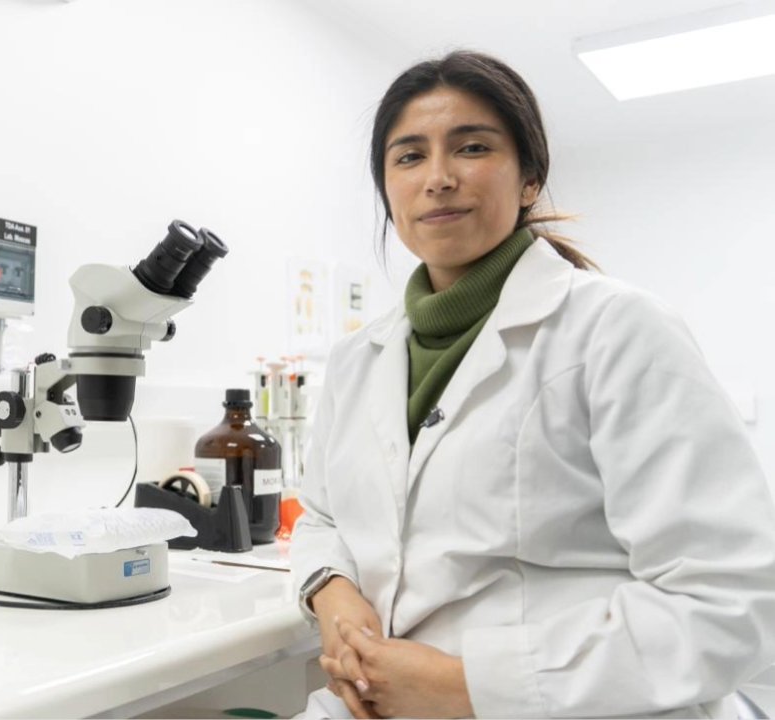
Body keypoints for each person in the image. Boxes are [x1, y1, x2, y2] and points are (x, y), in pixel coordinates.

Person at [290, 50, 775, 719]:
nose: (438, 178)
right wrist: (331, 590)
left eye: (472, 147)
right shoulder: (356, 359)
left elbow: (732, 602)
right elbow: (320, 516)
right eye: (409, 157)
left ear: (529, 180)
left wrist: (468, 689)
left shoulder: (616, 329)